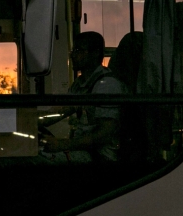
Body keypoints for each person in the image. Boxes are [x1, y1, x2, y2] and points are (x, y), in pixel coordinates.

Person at [40, 31, 126, 163]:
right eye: (73, 50)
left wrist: (62, 144)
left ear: (95, 53)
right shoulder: (80, 84)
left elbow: (104, 134)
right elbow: (60, 112)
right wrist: (29, 120)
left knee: (38, 161)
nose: (73, 55)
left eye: (79, 50)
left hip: (100, 157)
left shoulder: (107, 85)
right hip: (82, 150)